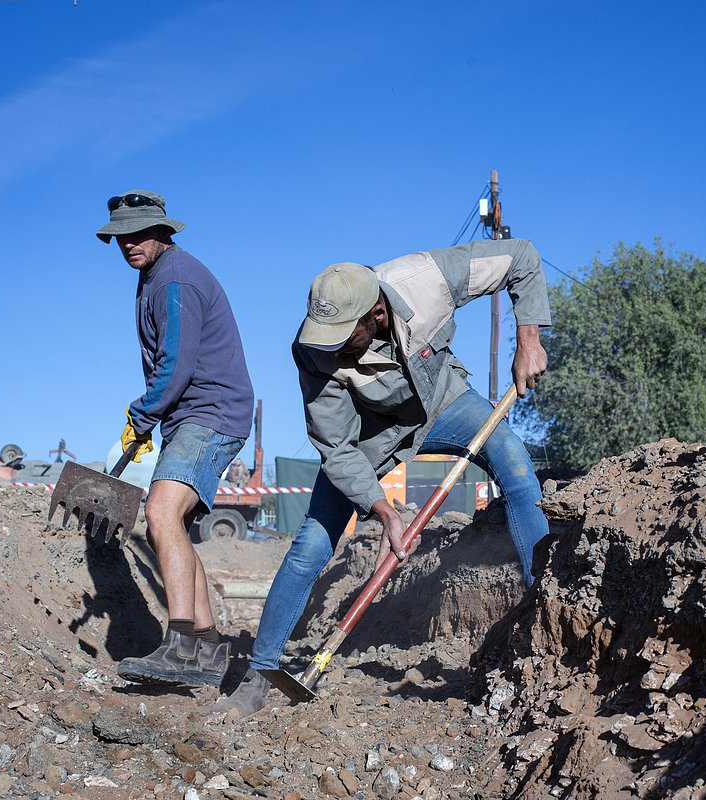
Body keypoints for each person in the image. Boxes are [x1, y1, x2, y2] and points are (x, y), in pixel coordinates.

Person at [214, 238, 552, 714]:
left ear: (375, 313)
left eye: (340, 336)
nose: (327, 349)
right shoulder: (313, 350)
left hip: (443, 404)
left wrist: (529, 341)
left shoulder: (427, 280)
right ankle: (259, 672)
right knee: (311, 543)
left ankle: (546, 608)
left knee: (516, 465)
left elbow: (521, 258)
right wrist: (383, 509)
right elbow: (336, 445)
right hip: (366, 438)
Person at [96, 190, 255, 688]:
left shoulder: (175, 277)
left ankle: (181, 644)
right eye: (120, 237)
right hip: (192, 415)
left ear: (163, 231)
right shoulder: (154, 277)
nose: (127, 244)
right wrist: (151, 419)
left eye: (137, 233)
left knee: (161, 514)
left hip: (210, 412)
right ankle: (207, 650)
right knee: (175, 527)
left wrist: (143, 413)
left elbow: (177, 361)